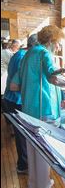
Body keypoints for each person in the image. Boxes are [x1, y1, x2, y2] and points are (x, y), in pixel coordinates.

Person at [10, 25, 65, 188]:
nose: (58, 47)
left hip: (28, 111)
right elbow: (53, 78)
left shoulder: (27, 54)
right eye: (58, 44)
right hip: (44, 111)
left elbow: (14, 85)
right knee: (43, 153)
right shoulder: (44, 54)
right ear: (51, 41)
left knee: (33, 151)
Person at [2, 34, 38, 174]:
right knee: (22, 134)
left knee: (21, 134)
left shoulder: (20, 54)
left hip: (12, 99)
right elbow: (17, 84)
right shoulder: (24, 58)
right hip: (15, 100)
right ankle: (23, 165)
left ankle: (24, 164)